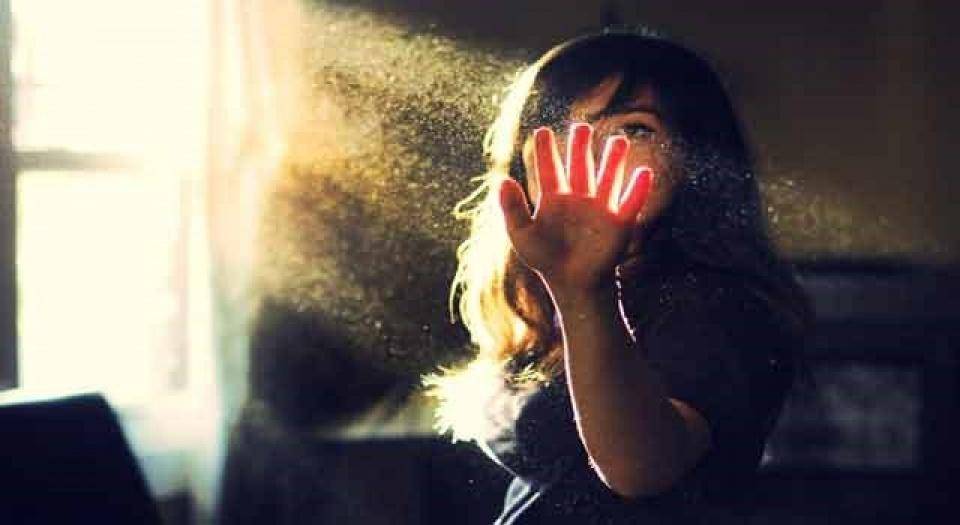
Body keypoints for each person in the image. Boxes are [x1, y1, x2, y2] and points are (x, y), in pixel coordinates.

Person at [426, 30, 812, 523]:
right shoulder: (545, 304)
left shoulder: (717, 306)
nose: (589, 154)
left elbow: (639, 468)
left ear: (694, 157)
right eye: (562, 129)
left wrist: (582, 291)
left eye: (633, 130)